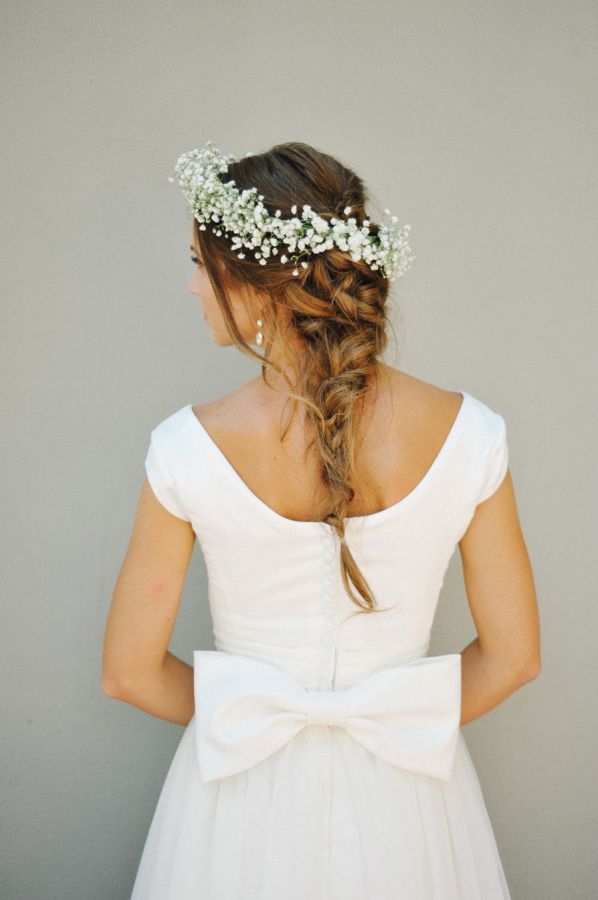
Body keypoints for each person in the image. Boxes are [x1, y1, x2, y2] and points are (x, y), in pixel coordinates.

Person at [101, 140, 541, 899]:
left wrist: (257, 718)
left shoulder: (184, 448)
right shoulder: (472, 435)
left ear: (256, 282)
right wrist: (395, 718)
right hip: (413, 800)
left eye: (202, 265)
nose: (193, 286)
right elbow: (516, 657)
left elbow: (128, 671)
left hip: (235, 798)